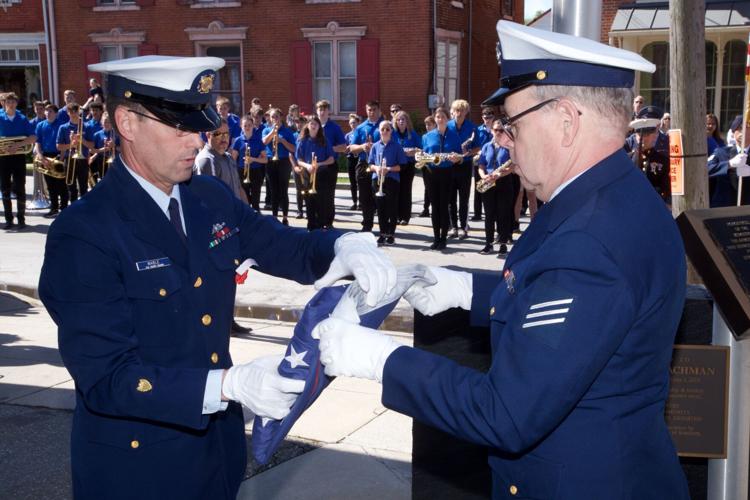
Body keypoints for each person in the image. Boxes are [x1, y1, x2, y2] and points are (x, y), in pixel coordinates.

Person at [315, 21, 690, 499]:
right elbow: (559, 299)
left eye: (513, 124)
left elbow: (507, 413)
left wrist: (381, 359)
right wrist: (462, 288)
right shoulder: (609, 196)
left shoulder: (592, 239)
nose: (506, 140)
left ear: (566, 122)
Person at [39, 55, 397, 500]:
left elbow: (285, 246)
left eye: (201, 126)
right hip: (139, 469)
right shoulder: (85, 232)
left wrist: (345, 245)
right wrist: (227, 385)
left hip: (216, 454)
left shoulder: (206, 197)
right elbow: (108, 379)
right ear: (127, 123)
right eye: (181, 128)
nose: (197, 140)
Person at [421, 107, 463, 250]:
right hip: (431, 173)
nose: (440, 119)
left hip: (447, 173)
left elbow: (459, 156)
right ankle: (436, 237)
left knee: (444, 206)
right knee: (434, 207)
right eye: (438, 117)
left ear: (447, 119)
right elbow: (423, 156)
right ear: (435, 119)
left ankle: (443, 238)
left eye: (443, 117)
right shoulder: (427, 136)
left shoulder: (454, 136)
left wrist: (455, 158)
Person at [476, 118, 514, 255]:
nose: (498, 132)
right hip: (488, 182)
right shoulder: (486, 146)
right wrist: (483, 176)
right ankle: (488, 244)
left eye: (501, 130)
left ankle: (503, 244)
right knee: (489, 215)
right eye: (496, 130)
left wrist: (500, 175)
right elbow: (481, 165)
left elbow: (513, 166)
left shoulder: (510, 146)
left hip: (504, 182)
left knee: (503, 214)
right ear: (491, 131)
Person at [0, 92, 36, 230]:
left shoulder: (22, 118)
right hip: (3, 158)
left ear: (16, 103)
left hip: (18, 157)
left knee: (20, 188)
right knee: (5, 190)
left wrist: (17, 145)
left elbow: (33, 137)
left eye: (13, 102)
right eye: (8, 102)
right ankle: (9, 220)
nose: (10, 104)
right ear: (4, 103)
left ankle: (21, 218)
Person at [369, 120, 406, 245]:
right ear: (379, 131)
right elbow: (370, 165)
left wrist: (388, 169)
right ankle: (382, 233)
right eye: (382, 129)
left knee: (391, 208)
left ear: (391, 131)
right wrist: (377, 168)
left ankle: (391, 233)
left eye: (387, 129)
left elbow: (401, 166)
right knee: (380, 209)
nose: (384, 131)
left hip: (392, 180)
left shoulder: (397, 146)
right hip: (377, 179)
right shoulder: (375, 146)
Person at [349, 100, 384, 232]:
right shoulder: (361, 127)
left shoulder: (386, 126)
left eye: (374, 109)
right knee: (364, 197)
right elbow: (351, 147)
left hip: (380, 165)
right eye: (369, 109)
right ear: (366, 110)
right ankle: (367, 224)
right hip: (364, 163)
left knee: (380, 198)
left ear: (379, 110)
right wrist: (362, 147)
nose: (372, 112)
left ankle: (384, 227)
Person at [447, 99, 479, 239]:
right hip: (450, 165)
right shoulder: (447, 126)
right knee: (450, 199)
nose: (459, 113)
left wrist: (468, 153)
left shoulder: (472, 128)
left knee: (464, 199)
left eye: (462, 110)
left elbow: (478, 147)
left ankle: (463, 227)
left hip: (465, 165)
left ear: (466, 112)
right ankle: (453, 227)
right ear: (452, 112)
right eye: (456, 110)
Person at [296, 115, 335, 230]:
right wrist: (308, 166)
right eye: (311, 123)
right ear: (307, 126)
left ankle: (321, 225)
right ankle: (311, 225)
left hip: (322, 174)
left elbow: (331, 159)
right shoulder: (302, 141)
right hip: (308, 174)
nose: (313, 126)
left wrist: (319, 164)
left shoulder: (324, 141)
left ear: (319, 127)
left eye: (315, 124)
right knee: (309, 201)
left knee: (322, 201)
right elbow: (299, 160)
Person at [625, 106, 671, 203]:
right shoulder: (626, 159)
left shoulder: (662, 160)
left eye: (648, 134)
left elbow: (665, 189)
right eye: (643, 135)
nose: (653, 137)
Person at [262, 107, 296, 225]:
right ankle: (274, 216)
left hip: (284, 161)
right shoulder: (266, 130)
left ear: (280, 117)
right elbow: (264, 142)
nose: (275, 119)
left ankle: (285, 217)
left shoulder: (287, 132)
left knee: (283, 190)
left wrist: (283, 141)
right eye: (272, 117)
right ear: (270, 119)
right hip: (271, 161)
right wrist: (273, 132)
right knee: (273, 190)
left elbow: (293, 148)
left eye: (277, 116)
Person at [316, 100, 347, 227]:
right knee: (315, 195)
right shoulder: (311, 126)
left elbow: (344, 147)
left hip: (330, 166)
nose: (322, 112)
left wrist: (330, 148)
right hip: (315, 166)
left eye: (324, 109)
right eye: (319, 109)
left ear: (329, 112)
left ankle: (328, 222)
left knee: (328, 195)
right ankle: (317, 220)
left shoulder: (335, 127)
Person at [707, 115, 750, 207]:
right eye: (739, 128)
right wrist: (729, 164)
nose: (743, 131)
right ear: (733, 133)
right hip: (724, 209)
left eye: (747, 127)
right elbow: (705, 169)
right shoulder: (721, 152)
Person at [56, 103, 94, 202]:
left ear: (79, 111)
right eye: (70, 111)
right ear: (67, 113)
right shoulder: (63, 128)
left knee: (83, 188)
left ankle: (84, 212)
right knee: (71, 189)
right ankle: (74, 212)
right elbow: (59, 146)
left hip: (83, 159)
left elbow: (92, 146)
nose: (73, 113)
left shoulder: (87, 126)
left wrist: (82, 140)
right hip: (69, 159)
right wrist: (71, 145)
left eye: (75, 111)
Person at [34, 103, 66, 217]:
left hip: (58, 156)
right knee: (50, 185)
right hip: (46, 156)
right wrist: (41, 157)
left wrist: (61, 159)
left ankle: (64, 208)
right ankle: (54, 208)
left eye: (50, 111)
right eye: (46, 111)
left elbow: (64, 143)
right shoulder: (40, 125)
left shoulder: (61, 125)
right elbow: (37, 143)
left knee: (61, 184)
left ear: (56, 113)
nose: (47, 113)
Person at [231, 112, 267, 211]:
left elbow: (265, 159)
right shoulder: (238, 141)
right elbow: (233, 159)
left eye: (249, 125)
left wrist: (253, 159)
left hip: (256, 171)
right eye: (245, 125)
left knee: (256, 198)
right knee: (244, 198)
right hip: (242, 171)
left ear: (253, 126)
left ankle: (256, 218)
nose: (247, 127)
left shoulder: (258, 140)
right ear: (241, 127)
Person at [392, 110, 420, 225]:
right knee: (396, 191)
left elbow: (421, 148)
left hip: (408, 165)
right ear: (396, 122)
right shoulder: (393, 134)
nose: (401, 121)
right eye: (399, 120)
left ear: (407, 121)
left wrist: (413, 151)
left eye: (403, 119)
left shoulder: (412, 134)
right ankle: (396, 216)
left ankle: (405, 217)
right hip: (396, 166)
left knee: (406, 191)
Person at [472, 106, 496, 222]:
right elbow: (474, 146)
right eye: (485, 117)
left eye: (490, 117)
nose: (487, 120)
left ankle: (490, 212)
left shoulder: (496, 130)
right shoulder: (478, 130)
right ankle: (477, 213)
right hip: (480, 161)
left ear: (493, 117)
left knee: (492, 187)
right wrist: (478, 151)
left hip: (493, 163)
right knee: (479, 187)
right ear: (482, 117)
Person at [89, 111, 118, 183]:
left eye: (109, 122)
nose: (107, 124)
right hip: (101, 161)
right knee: (103, 181)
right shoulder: (97, 135)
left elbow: (123, 150)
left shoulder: (117, 134)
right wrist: (101, 150)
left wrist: (114, 146)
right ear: (102, 122)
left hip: (116, 161)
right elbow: (91, 150)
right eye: (105, 121)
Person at [419, 115, 437, 218]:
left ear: (434, 125)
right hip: (426, 165)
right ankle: (426, 208)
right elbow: (423, 149)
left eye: (429, 124)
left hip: (436, 164)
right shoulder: (424, 137)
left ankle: (435, 208)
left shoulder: (438, 136)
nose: (427, 126)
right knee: (427, 187)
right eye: (426, 124)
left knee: (435, 188)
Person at [345, 113, 362, 210]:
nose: (353, 125)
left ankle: (361, 202)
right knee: (352, 182)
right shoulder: (348, 136)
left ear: (358, 123)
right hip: (351, 158)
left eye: (354, 123)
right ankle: (354, 201)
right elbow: (344, 147)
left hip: (359, 158)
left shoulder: (361, 133)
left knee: (360, 181)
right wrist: (346, 148)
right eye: (351, 123)